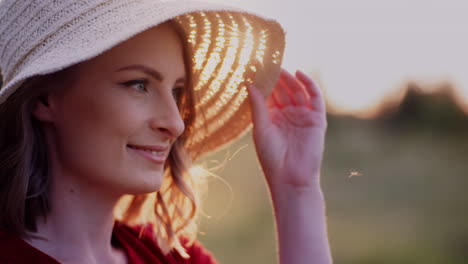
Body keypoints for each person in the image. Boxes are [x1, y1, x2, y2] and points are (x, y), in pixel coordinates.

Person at [0, 0, 332, 263]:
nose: (175, 124)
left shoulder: (175, 259)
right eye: (139, 85)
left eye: (177, 92)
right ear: (44, 98)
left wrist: (296, 187)